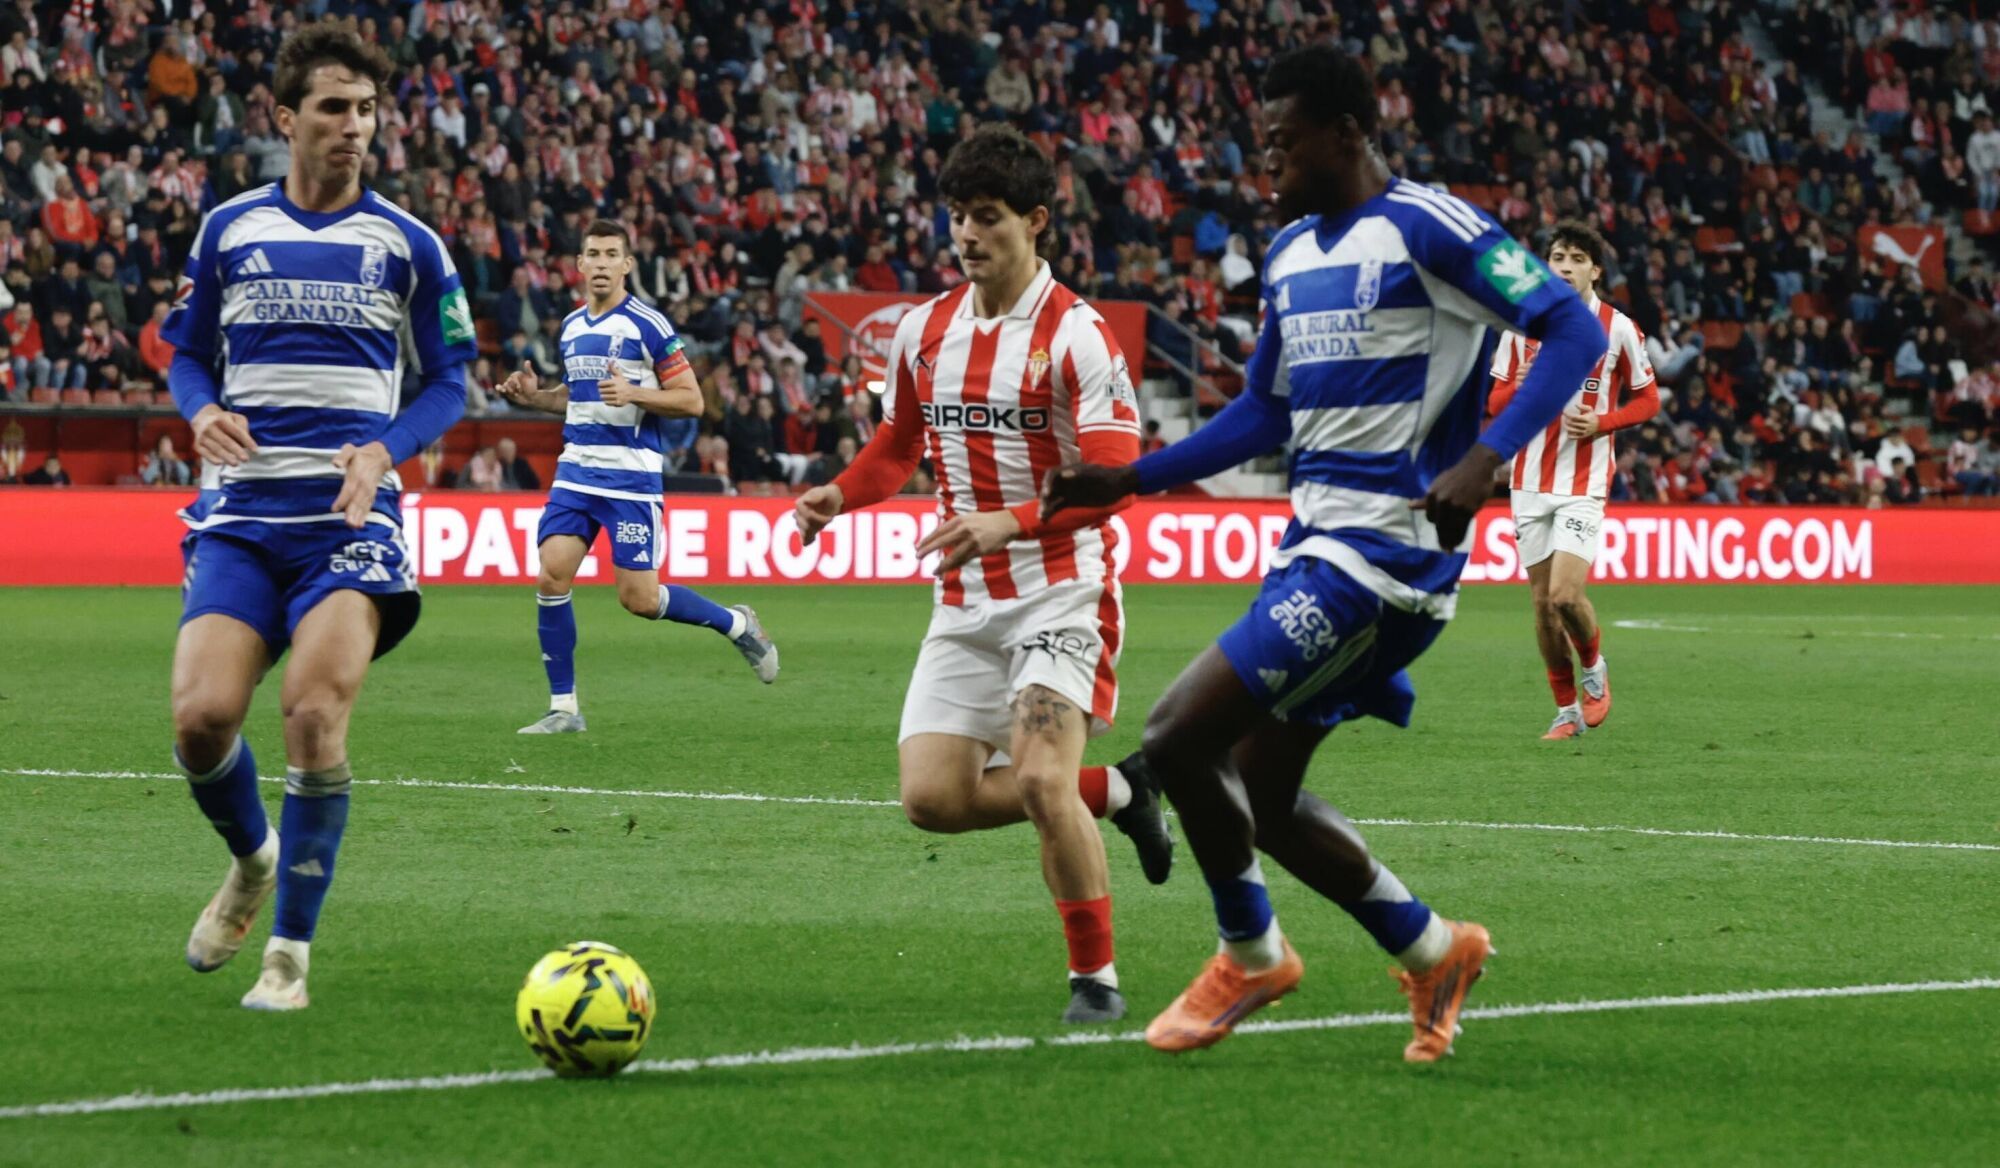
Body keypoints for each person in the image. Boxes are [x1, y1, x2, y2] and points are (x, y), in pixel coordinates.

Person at [1041, 46, 1603, 1058]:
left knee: (1173, 739)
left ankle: (1250, 954)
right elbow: (1262, 409)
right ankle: (1432, 947)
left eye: (1280, 141)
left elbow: (1570, 333)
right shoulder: (1293, 252)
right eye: (1259, 143)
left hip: (1385, 563)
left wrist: (1484, 458)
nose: (1263, 161)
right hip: (1315, 550)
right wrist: (1129, 478)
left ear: (1344, 134)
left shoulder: (1430, 228)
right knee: (1257, 790)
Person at [793, 126, 1174, 1026]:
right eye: (957, 215)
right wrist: (839, 496)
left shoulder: (1078, 335)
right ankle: (1124, 788)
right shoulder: (926, 330)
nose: (966, 234)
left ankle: (1097, 982)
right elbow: (897, 444)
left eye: (988, 218)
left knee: (1042, 779)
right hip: (965, 602)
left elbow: (1117, 477)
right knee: (932, 799)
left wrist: (1014, 518)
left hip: (1061, 588)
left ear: (1037, 222)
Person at [162, 24, 474, 1012]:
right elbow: (185, 351)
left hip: (350, 522)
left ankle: (288, 954)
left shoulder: (410, 246)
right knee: (201, 720)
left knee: (310, 711)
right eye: (333, 108)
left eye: (367, 110)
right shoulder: (227, 230)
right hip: (243, 515)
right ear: (286, 118)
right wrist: (201, 408)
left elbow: (453, 377)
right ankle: (253, 864)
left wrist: (386, 447)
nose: (353, 126)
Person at [495, 219, 777, 735]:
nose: (601, 264)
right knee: (552, 573)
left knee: (640, 600)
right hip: (577, 473)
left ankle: (736, 623)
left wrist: (637, 394)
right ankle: (564, 709)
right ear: (579, 265)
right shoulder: (573, 326)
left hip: (630, 479)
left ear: (627, 265)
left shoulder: (648, 324)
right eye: (592, 255)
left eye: (611, 255)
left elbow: (691, 400)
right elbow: (575, 399)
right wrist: (534, 398)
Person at [1486, 221, 1660, 740]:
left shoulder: (1617, 327)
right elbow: (1493, 403)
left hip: (1583, 481)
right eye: (1557, 256)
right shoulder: (1520, 326)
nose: (1564, 266)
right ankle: (1566, 712)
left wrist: (1603, 423)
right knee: (1541, 607)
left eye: (1576, 258)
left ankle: (1594, 668)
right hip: (1528, 480)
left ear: (1595, 270)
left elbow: (1648, 400)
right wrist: (1516, 389)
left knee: (1564, 595)